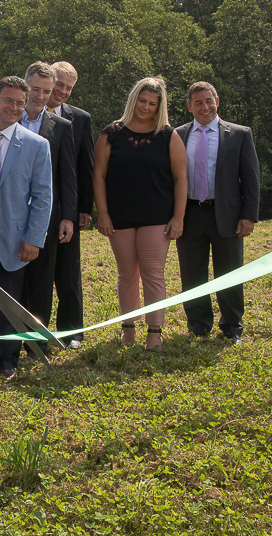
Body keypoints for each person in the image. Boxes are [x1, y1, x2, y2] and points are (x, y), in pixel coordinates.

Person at [92, 77, 187, 351]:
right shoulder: (112, 133)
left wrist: (178, 217)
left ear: (160, 107)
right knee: (126, 275)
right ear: (134, 99)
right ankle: (128, 330)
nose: (146, 107)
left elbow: (181, 178)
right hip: (119, 217)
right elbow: (98, 175)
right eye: (142, 101)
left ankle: (154, 333)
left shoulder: (169, 136)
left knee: (153, 274)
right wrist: (104, 214)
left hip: (158, 217)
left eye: (152, 104)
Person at [176, 81, 260, 345]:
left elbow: (251, 178)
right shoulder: (177, 135)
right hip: (190, 215)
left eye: (209, 100)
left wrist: (249, 216)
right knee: (192, 274)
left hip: (228, 215)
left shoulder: (239, 134)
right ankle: (198, 325)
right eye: (198, 102)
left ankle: (232, 326)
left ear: (217, 101)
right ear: (189, 106)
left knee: (230, 273)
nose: (205, 107)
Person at [0, 76, 53, 377]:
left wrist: (34, 239)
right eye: (8, 100)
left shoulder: (37, 146)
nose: (13, 107)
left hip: (13, 233)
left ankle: (5, 360)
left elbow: (42, 197)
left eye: (19, 103)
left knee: (9, 300)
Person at [15, 61, 77, 356]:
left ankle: (36, 342)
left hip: (46, 216)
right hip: (9, 213)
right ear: (26, 86)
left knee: (41, 280)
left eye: (46, 91)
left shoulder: (62, 127)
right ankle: (2, 342)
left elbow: (68, 175)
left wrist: (68, 216)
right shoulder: (4, 118)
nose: (39, 96)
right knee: (8, 280)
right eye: (35, 89)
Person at [48, 61, 95, 349]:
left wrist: (84, 208)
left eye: (68, 87)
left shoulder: (81, 119)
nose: (62, 91)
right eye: (59, 83)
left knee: (69, 274)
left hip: (67, 209)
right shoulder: (22, 111)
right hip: (31, 209)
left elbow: (84, 166)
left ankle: (72, 333)